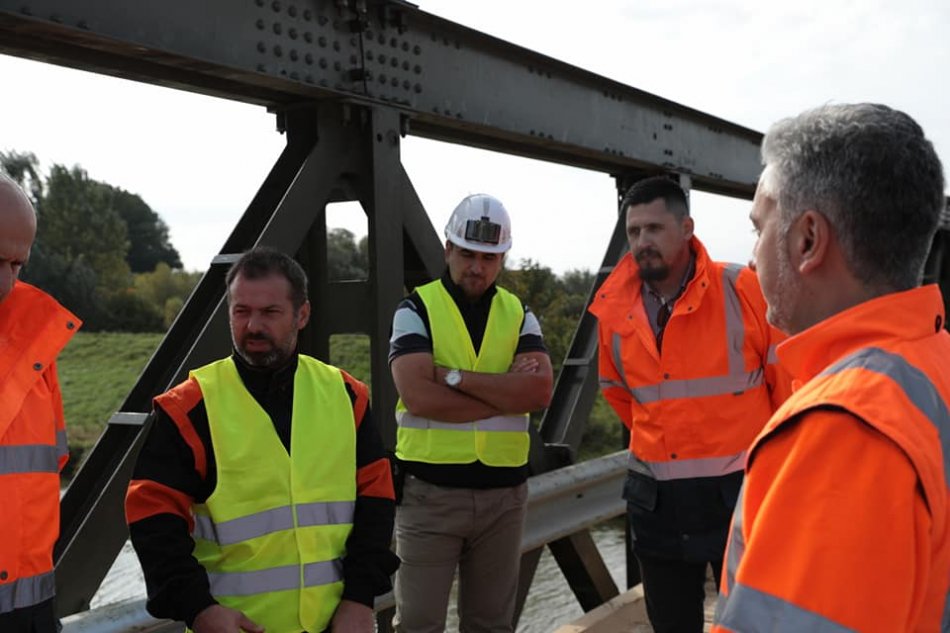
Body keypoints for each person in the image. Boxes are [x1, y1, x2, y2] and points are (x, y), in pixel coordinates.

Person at [713, 104, 950, 632]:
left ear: (808, 241)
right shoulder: (934, 363)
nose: (751, 258)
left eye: (758, 228)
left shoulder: (841, 429)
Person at [126, 246, 398, 633]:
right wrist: (199, 609)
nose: (253, 326)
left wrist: (360, 599)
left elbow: (377, 503)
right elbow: (152, 519)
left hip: (335, 624)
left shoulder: (346, 395)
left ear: (302, 314)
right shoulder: (189, 408)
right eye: (241, 311)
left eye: (270, 312)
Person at [588, 176, 789, 632]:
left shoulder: (741, 289)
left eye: (654, 228)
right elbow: (618, 393)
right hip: (656, 502)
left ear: (686, 229)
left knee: (753, 625)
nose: (643, 241)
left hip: (739, 496)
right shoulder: (614, 309)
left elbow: (786, 387)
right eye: (634, 231)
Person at [389, 193, 553, 632]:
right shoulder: (415, 310)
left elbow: (539, 391)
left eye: (489, 257)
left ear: (501, 260)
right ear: (448, 249)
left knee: (491, 625)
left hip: (504, 498)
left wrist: (455, 377)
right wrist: (504, 392)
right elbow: (419, 397)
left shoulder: (518, 314)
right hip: (430, 496)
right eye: (467, 254)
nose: (477, 267)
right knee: (418, 624)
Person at [0, 174, 81, 631]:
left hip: (30, 611)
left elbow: (48, 467)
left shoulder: (36, 343)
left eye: (17, 264)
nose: (6, 281)